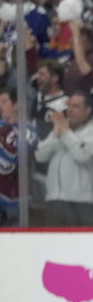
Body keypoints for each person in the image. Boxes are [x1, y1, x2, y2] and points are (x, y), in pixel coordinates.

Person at [34, 92, 93, 226]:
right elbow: (40, 156)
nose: (70, 110)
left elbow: (82, 155)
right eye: (69, 106)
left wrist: (66, 132)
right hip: (54, 201)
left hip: (81, 203)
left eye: (76, 106)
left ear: (87, 110)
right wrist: (55, 132)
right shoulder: (61, 129)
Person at [0, 88, 38, 226]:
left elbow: (15, 156)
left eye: (4, 101)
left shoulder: (27, 131)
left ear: (16, 105)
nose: (0, 105)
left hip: (16, 203)